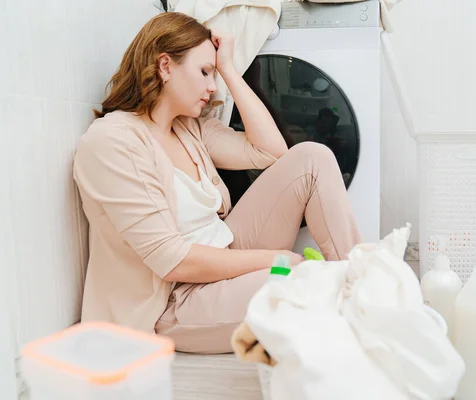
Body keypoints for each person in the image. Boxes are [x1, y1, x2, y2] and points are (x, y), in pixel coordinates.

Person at [73, 12, 362, 354]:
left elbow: (270, 152)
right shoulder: (113, 142)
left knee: (313, 158)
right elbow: (173, 261)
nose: (213, 88)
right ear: (165, 67)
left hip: (226, 251)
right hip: (175, 300)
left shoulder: (188, 128)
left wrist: (227, 67)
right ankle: (360, 304)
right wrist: (276, 259)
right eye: (204, 72)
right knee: (304, 283)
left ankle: (362, 284)